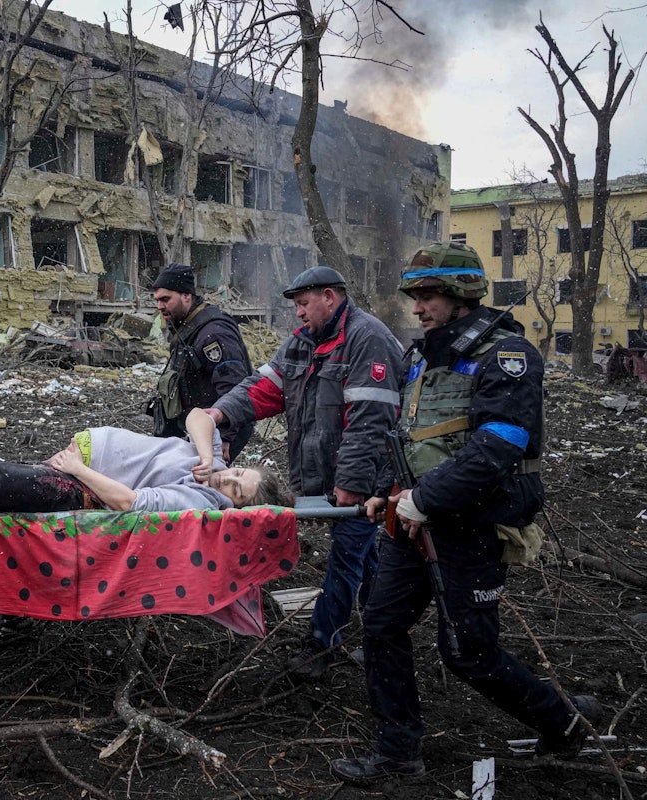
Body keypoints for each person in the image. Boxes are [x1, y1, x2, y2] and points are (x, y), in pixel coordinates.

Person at [331, 242, 603, 782]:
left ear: (460, 295)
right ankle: (398, 754)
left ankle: (563, 725)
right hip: (412, 522)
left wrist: (424, 500)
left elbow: (499, 445)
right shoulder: (423, 357)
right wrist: (389, 493)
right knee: (382, 624)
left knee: (468, 652)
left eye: (428, 295)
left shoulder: (507, 356)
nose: (417, 307)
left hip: (471, 525)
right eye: (415, 296)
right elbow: (413, 441)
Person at [207, 266, 403, 678]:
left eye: (303, 304)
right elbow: (262, 388)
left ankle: (321, 643)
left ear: (329, 297)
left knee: (347, 556)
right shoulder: (301, 344)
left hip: (365, 479)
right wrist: (220, 412)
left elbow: (371, 420)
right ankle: (382, 625)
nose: (297, 313)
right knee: (361, 554)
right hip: (322, 476)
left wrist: (350, 483)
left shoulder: (368, 339)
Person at [0, 408, 293, 514]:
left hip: (84, 485)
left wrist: (77, 469)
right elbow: (199, 416)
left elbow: (129, 502)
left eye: (236, 491)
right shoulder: (212, 463)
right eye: (237, 473)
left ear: (235, 508)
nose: (227, 481)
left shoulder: (200, 503)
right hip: (79, 460)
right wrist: (207, 455)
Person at [149, 263, 255, 462]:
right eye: (157, 300)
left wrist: (225, 436)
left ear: (186, 295)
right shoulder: (187, 326)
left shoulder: (213, 333)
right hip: (198, 425)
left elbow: (233, 387)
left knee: (207, 483)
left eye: (165, 299)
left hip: (218, 428)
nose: (159, 306)